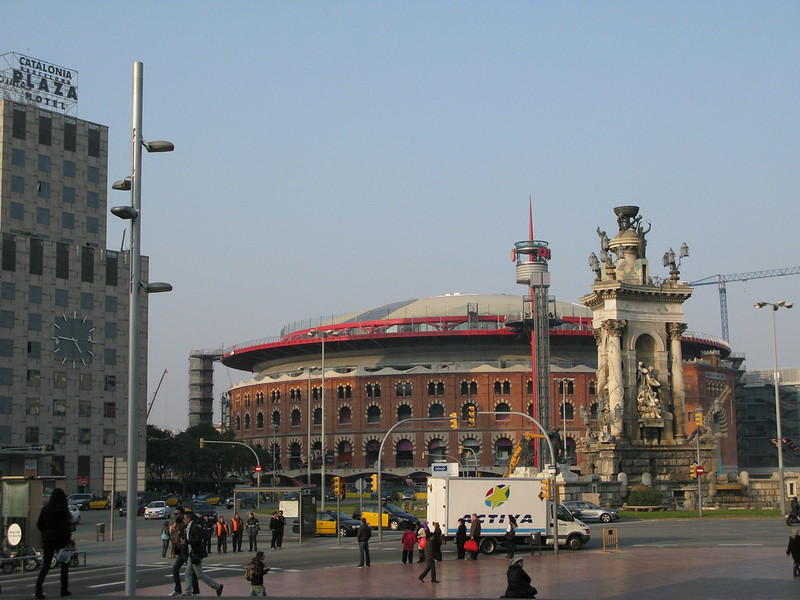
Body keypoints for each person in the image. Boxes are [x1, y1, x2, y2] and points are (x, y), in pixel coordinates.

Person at [35, 488, 74, 599]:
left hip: (48, 540)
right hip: (61, 541)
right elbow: (66, 528)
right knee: (64, 566)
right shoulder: (63, 511)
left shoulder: (45, 509)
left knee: (46, 566)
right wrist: (68, 542)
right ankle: (64, 589)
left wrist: (46, 532)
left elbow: (39, 525)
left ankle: (38, 589)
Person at [170, 507, 199, 597]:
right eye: (174, 514)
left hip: (186, 551)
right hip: (181, 551)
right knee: (175, 569)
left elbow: (186, 537)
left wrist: (184, 545)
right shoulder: (177, 524)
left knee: (191, 571)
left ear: (182, 515)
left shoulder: (183, 524)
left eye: (177, 514)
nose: (175, 516)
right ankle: (178, 589)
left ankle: (195, 590)